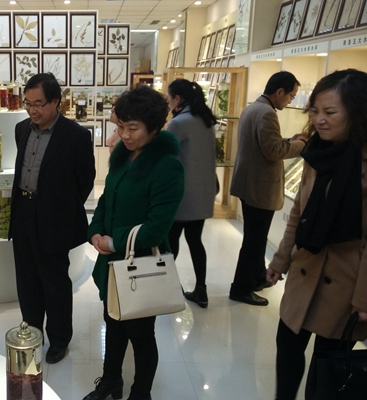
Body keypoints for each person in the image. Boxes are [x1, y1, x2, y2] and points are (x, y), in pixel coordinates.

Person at [266, 69, 367, 399]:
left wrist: (364, 299)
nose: (319, 120)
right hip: (305, 270)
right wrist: (280, 259)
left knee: (327, 370)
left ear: (356, 113)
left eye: (330, 112)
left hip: (346, 284)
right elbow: (298, 212)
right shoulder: (316, 153)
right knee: (287, 349)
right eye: (315, 111)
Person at [84, 85, 184, 400]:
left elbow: (156, 228)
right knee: (112, 323)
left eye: (133, 128)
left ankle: (141, 393)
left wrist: (113, 242)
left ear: (154, 128)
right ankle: (111, 381)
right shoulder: (123, 155)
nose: (124, 135)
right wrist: (95, 231)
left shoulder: (166, 166)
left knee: (140, 335)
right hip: (112, 263)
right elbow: (106, 199)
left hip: (140, 265)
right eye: (120, 127)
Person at [9, 73, 95, 364]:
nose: (32, 110)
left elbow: (85, 180)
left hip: (54, 219)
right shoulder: (22, 129)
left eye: (39, 104)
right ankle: (32, 333)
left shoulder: (76, 135)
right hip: (22, 212)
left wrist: (61, 209)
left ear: (56, 102)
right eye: (28, 103)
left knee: (55, 282)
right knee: (27, 280)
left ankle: (59, 339)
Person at [229, 71, 307, 306]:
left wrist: (289, 140)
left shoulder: (253, 108)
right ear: (280, 92)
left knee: (256, 238)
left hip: (249, 184)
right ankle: (241, 288)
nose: (290, 101)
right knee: (254, 241)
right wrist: (301, 144)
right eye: (291, 96)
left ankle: (256, 278)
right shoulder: (267, 113)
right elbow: (273, 151)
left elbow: (264, 143)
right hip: (260, 187)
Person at [166, 79, 217, 308]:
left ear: (177, 99)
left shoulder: (178, 123)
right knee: (195, 241)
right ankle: (201, 290)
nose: (168, 102)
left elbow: (166, 157)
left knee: (170, 242)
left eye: (169, 97)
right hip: (203, 193)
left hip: (182, 194)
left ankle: (165, 287)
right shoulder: (205, 120)